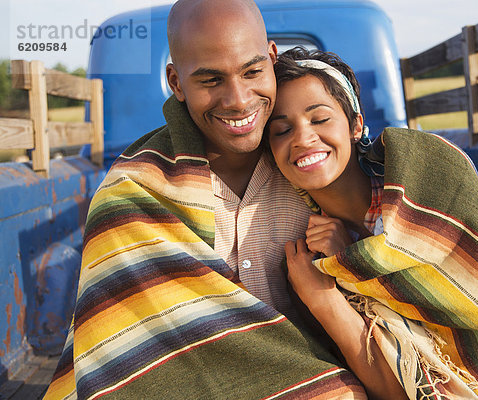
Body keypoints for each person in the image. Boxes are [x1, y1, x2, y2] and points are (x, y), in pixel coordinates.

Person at [43, 2, 367, 399]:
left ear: (271, 57)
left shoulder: (308, 165)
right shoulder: (134, 191)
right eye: (211, 80)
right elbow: (127, 356)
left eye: (252, 71)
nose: (238, 100)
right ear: (176, 83)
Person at [267, 47, 478, 400]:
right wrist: (332, 281)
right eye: (282, 129)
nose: (301, 137)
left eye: (319, 119)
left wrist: (354, 258)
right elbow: (389, 382)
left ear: (356, 125)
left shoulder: (424, 173)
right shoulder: (309, 256)